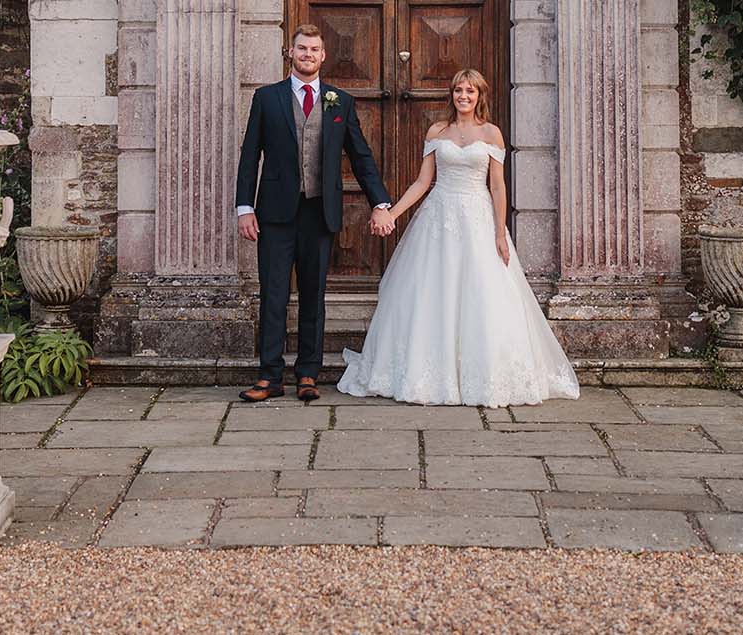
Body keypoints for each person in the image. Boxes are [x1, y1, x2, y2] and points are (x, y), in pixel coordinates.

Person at [337, 68, 579, 406]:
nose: (463, 97)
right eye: (458, 91)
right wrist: (392, 212)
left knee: (482, 292)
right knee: (432, 292)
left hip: (477, 219)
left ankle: (481, 374)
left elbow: (497, 185)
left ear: (480, 96)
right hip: (439, 218)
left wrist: (499, 232)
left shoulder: (492, 134)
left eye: (470, 91)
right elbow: (423, 182)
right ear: (451, 95)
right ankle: (430, 371)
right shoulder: (438, 130)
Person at [233, 24, 392, 403]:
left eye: (314, 49)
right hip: (274, 213)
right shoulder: (266, 99)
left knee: (313, 294)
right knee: (273, 294)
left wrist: (380, 202)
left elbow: (361, 156)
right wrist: (244, 207)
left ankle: (308, 373)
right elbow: (249, 154)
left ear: (323, 56)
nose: (307, 54)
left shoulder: (340, 101)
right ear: (291, 53)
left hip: (319, 212)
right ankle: (269, 376)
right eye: (301, 48)